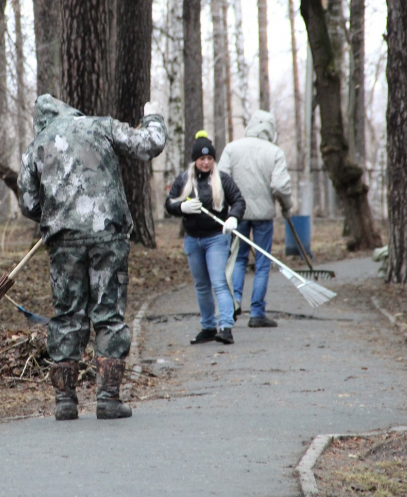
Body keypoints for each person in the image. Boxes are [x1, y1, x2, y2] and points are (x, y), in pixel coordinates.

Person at [18, 94, 167, 421]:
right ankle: (108, 399)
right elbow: (149, 144)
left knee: (67, 314)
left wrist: (57, 211)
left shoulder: (38, 143)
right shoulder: (101, 126)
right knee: (108, 312)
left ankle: (65, 401)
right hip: (107, 235)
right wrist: (153, 116)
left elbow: (28, 203)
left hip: (63, 240)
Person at [165, 131, 246, 345]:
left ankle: (226, 327)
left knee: (219, 281)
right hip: (193, 239)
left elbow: (238, 201)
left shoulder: (223, 179)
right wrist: (181, 206)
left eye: (210, 158)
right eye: (202, 158)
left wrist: (233, 218)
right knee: (201, 285)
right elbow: (169, 204)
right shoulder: (184, 179)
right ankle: (208, 327)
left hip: (216, 238)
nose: (206, 162)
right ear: (195, 160)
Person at [219, 110, 293, 327]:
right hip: (263, 216)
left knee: (239, 259)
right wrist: (287, 208)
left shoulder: (232, 148)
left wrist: (226, 207)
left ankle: (234, 303)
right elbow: (280, 186)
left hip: (237, 214)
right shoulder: (275, 152)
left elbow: (221, 179)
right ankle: (257, 313)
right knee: (262, 264)